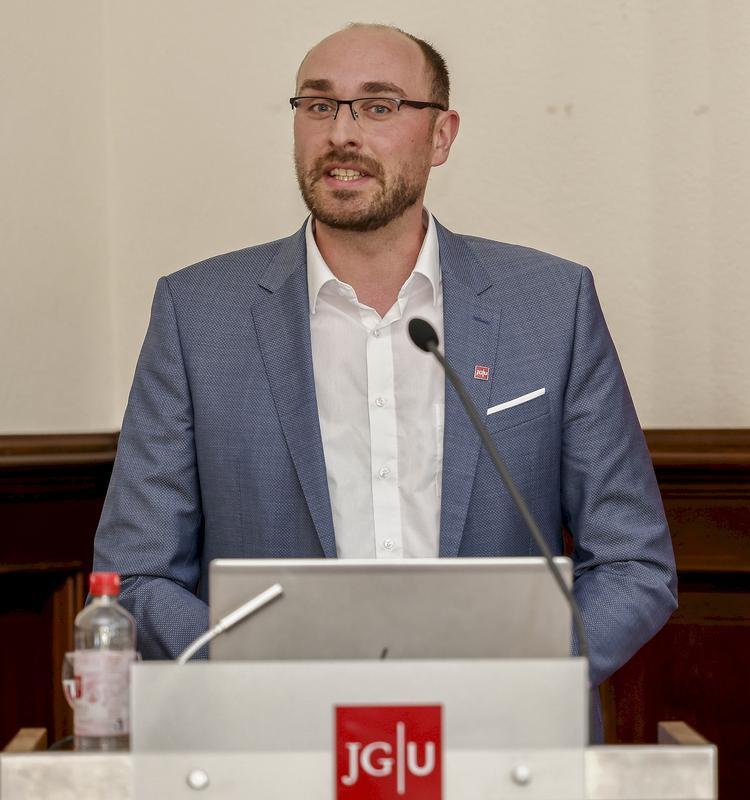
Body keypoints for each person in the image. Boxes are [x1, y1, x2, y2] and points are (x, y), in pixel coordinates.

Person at [93, 24, 677, 697]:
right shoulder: (198, 315)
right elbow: (138, 570)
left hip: (500, 745)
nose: (342, 133)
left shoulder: (549, 305)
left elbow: (633, 562)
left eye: (379, 106)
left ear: (441, 136)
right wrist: (255, 687)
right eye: (318, 106)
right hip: (272, 746)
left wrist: (524, 682)